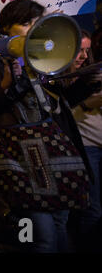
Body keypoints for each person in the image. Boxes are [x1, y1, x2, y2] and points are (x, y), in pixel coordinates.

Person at [0, 0, 98, 253]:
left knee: (60, 224)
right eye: (26, 23)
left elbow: (55, 104)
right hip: (22, 159)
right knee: (40, 237)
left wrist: (87, 82)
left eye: (36, 22)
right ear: (7, 27)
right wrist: (7, 87)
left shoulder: (42, 57)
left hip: (52, 154)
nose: (33, 28)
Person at [68, 34, 102, 252]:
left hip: (98, 144)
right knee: (92, 210)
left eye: (87, 50)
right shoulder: (58, 78)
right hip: (85, 148)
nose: (84, 56)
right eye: (80, 50)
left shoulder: (94, 72)